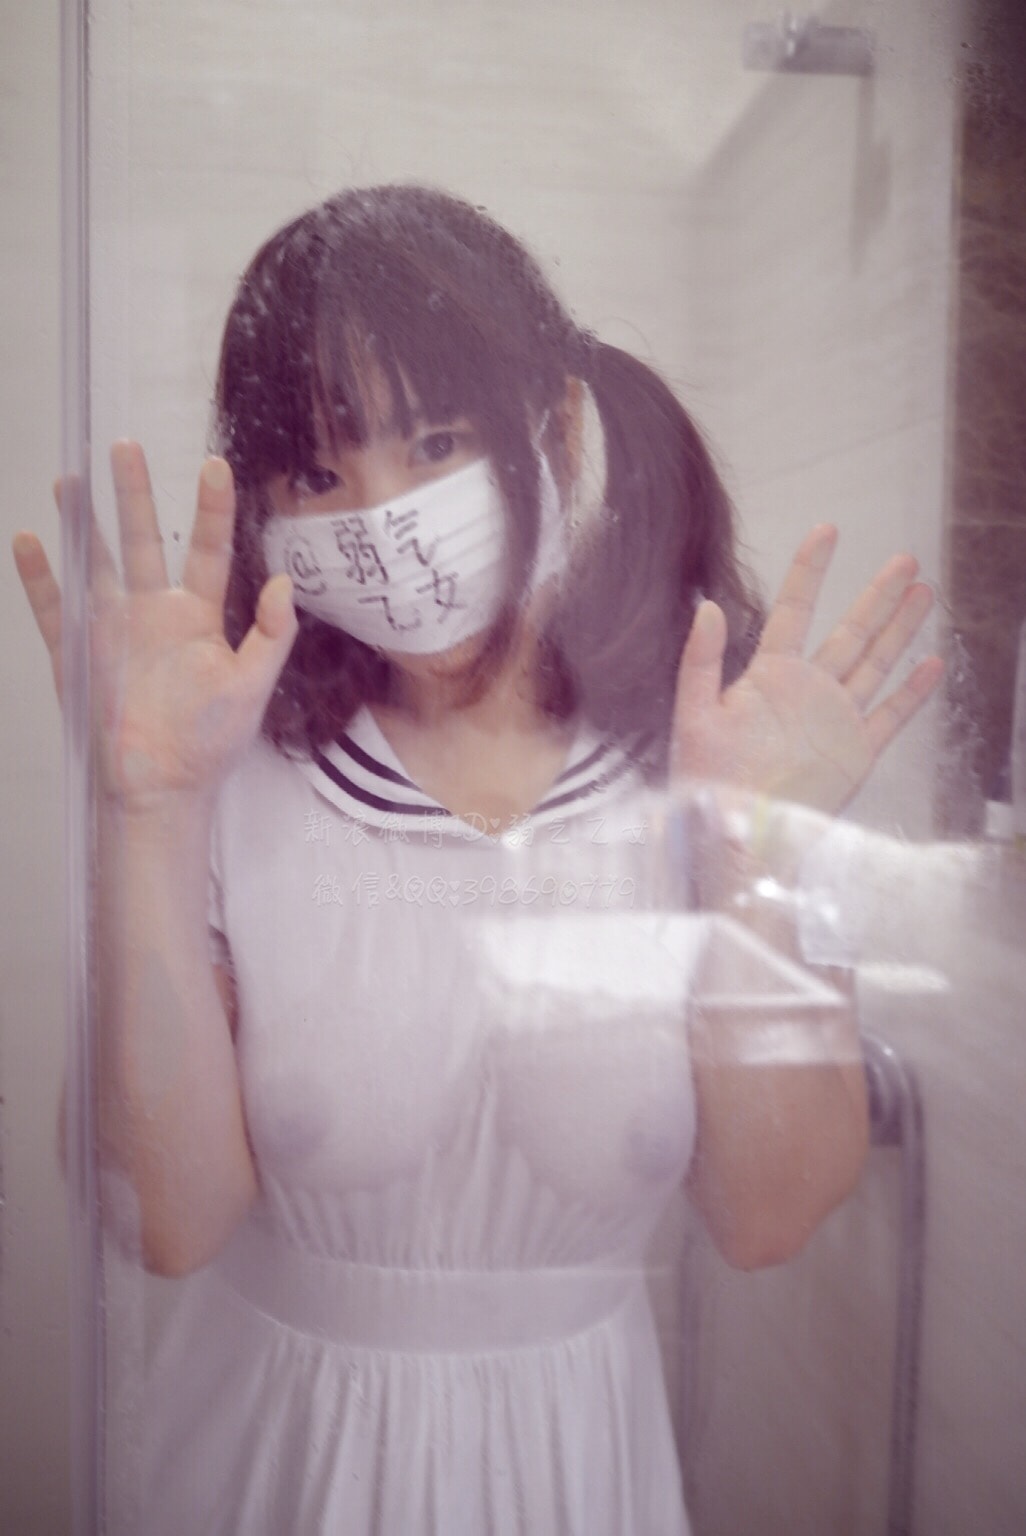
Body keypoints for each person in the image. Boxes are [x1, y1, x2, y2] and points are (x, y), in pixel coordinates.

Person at [13, 183, 943, 1535]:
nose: (380, 515)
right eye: (318, 475)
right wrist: (147, 812)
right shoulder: (236, 773)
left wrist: (753, 851)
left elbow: (771, 1218)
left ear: (553, 430)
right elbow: (165, 1223)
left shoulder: (706, 761)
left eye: (434, 442)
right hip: (271, 1470)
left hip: (579, 1471)